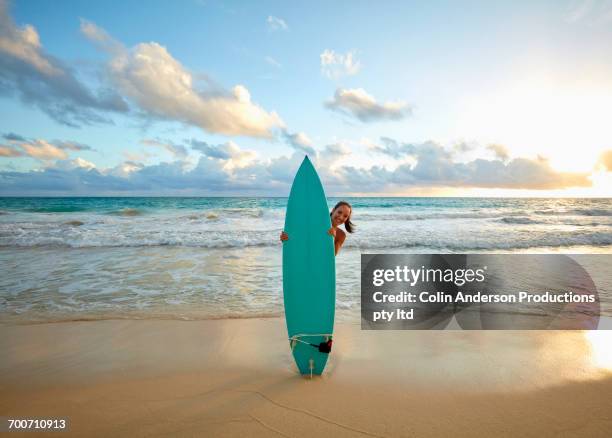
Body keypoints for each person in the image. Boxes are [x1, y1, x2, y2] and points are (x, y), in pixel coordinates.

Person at [280, 201, 355, 256]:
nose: (341, 217)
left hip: (319, 267)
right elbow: (300, 239)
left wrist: (332, 238)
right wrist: (286, 239)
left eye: (345, 216)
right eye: (339, 212)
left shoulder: (341, 235)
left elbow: (332, 256)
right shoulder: (316, 223)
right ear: (333, 210)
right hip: (303, 259)